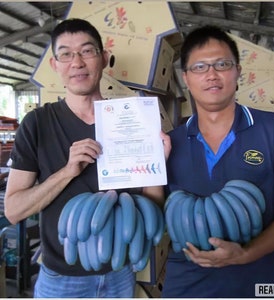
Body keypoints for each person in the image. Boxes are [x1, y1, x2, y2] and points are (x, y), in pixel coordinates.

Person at [4, 18, 170, 298]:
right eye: (66, 54)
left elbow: (152, 206)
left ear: (104, 59)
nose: (77, 62)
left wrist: (157, 163)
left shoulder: (131, 119)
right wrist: (67, 171)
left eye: (87, 51)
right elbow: (14, 210)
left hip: (120, 273)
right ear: (55, 65)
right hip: (61, 280)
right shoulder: (37, 123)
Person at [162, 25, 274, 298]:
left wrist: (244, 254)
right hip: (185, 288)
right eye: (200, 67)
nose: (212, 74)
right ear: (186, 78)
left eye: (222, 64)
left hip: (259, 286)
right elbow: (154, 213)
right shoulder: (168, 144)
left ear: (238, 71)